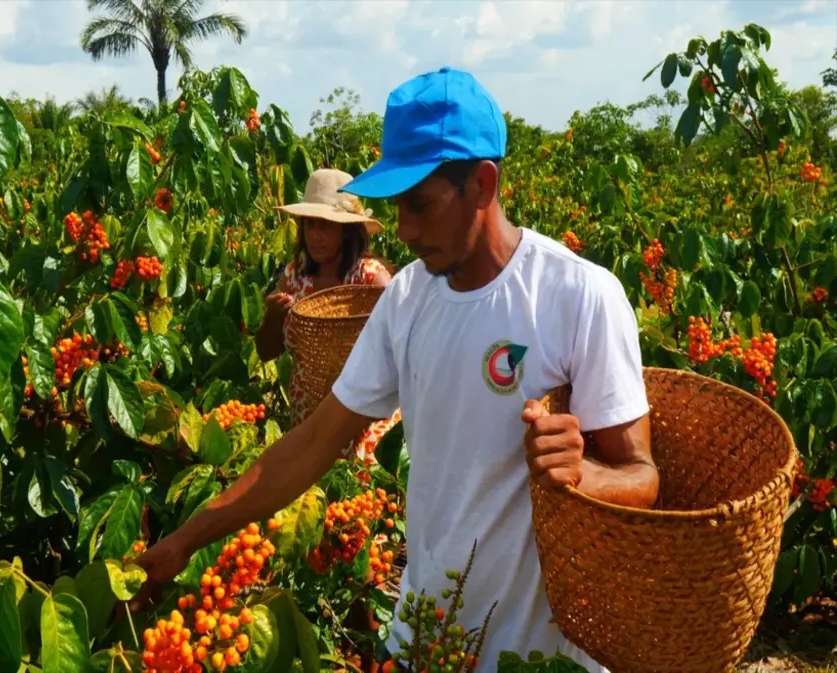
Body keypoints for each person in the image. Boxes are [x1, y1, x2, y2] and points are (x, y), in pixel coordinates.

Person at [130, 67, 659, 672]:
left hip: (531, 657)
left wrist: (582, 473)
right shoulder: (407, 298)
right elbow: (313, 442)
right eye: (397, 206)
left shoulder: (579, 295)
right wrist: (183, 541)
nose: (404, 230)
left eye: (420, 205)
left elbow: (641, 477)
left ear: (482, 184)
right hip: (418, 642)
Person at [255, 167, 400, 463]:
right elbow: (266, 351)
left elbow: (403, 341)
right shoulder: (294, 277)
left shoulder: (369, 278)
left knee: (357, 489)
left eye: (326, 226)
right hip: (309, 418)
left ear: (347, 231)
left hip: (363, 418)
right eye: (310, 225)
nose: (316, 236)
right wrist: (273, 317)